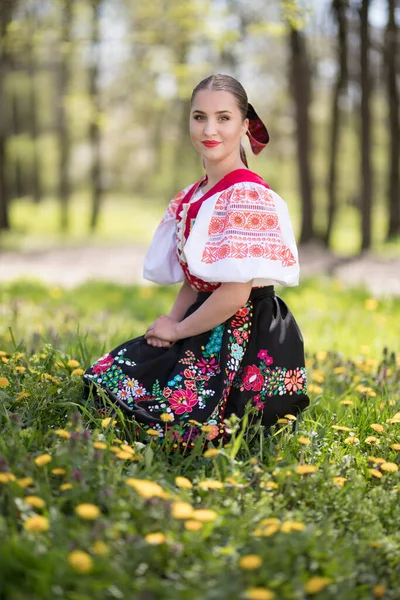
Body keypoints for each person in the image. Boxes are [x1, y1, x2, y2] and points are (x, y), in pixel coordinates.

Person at [83, 74, 310, 450]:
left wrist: (179, 331)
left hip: (246, 331)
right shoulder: (194, 195)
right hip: (204, 318)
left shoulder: (247, 195)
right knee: (107, 380)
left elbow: (236, 292)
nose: (209, 129)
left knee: (175, 424)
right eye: (199, 116)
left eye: (223, 118)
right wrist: (172, 322)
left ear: (243, 124)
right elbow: (198, 278)